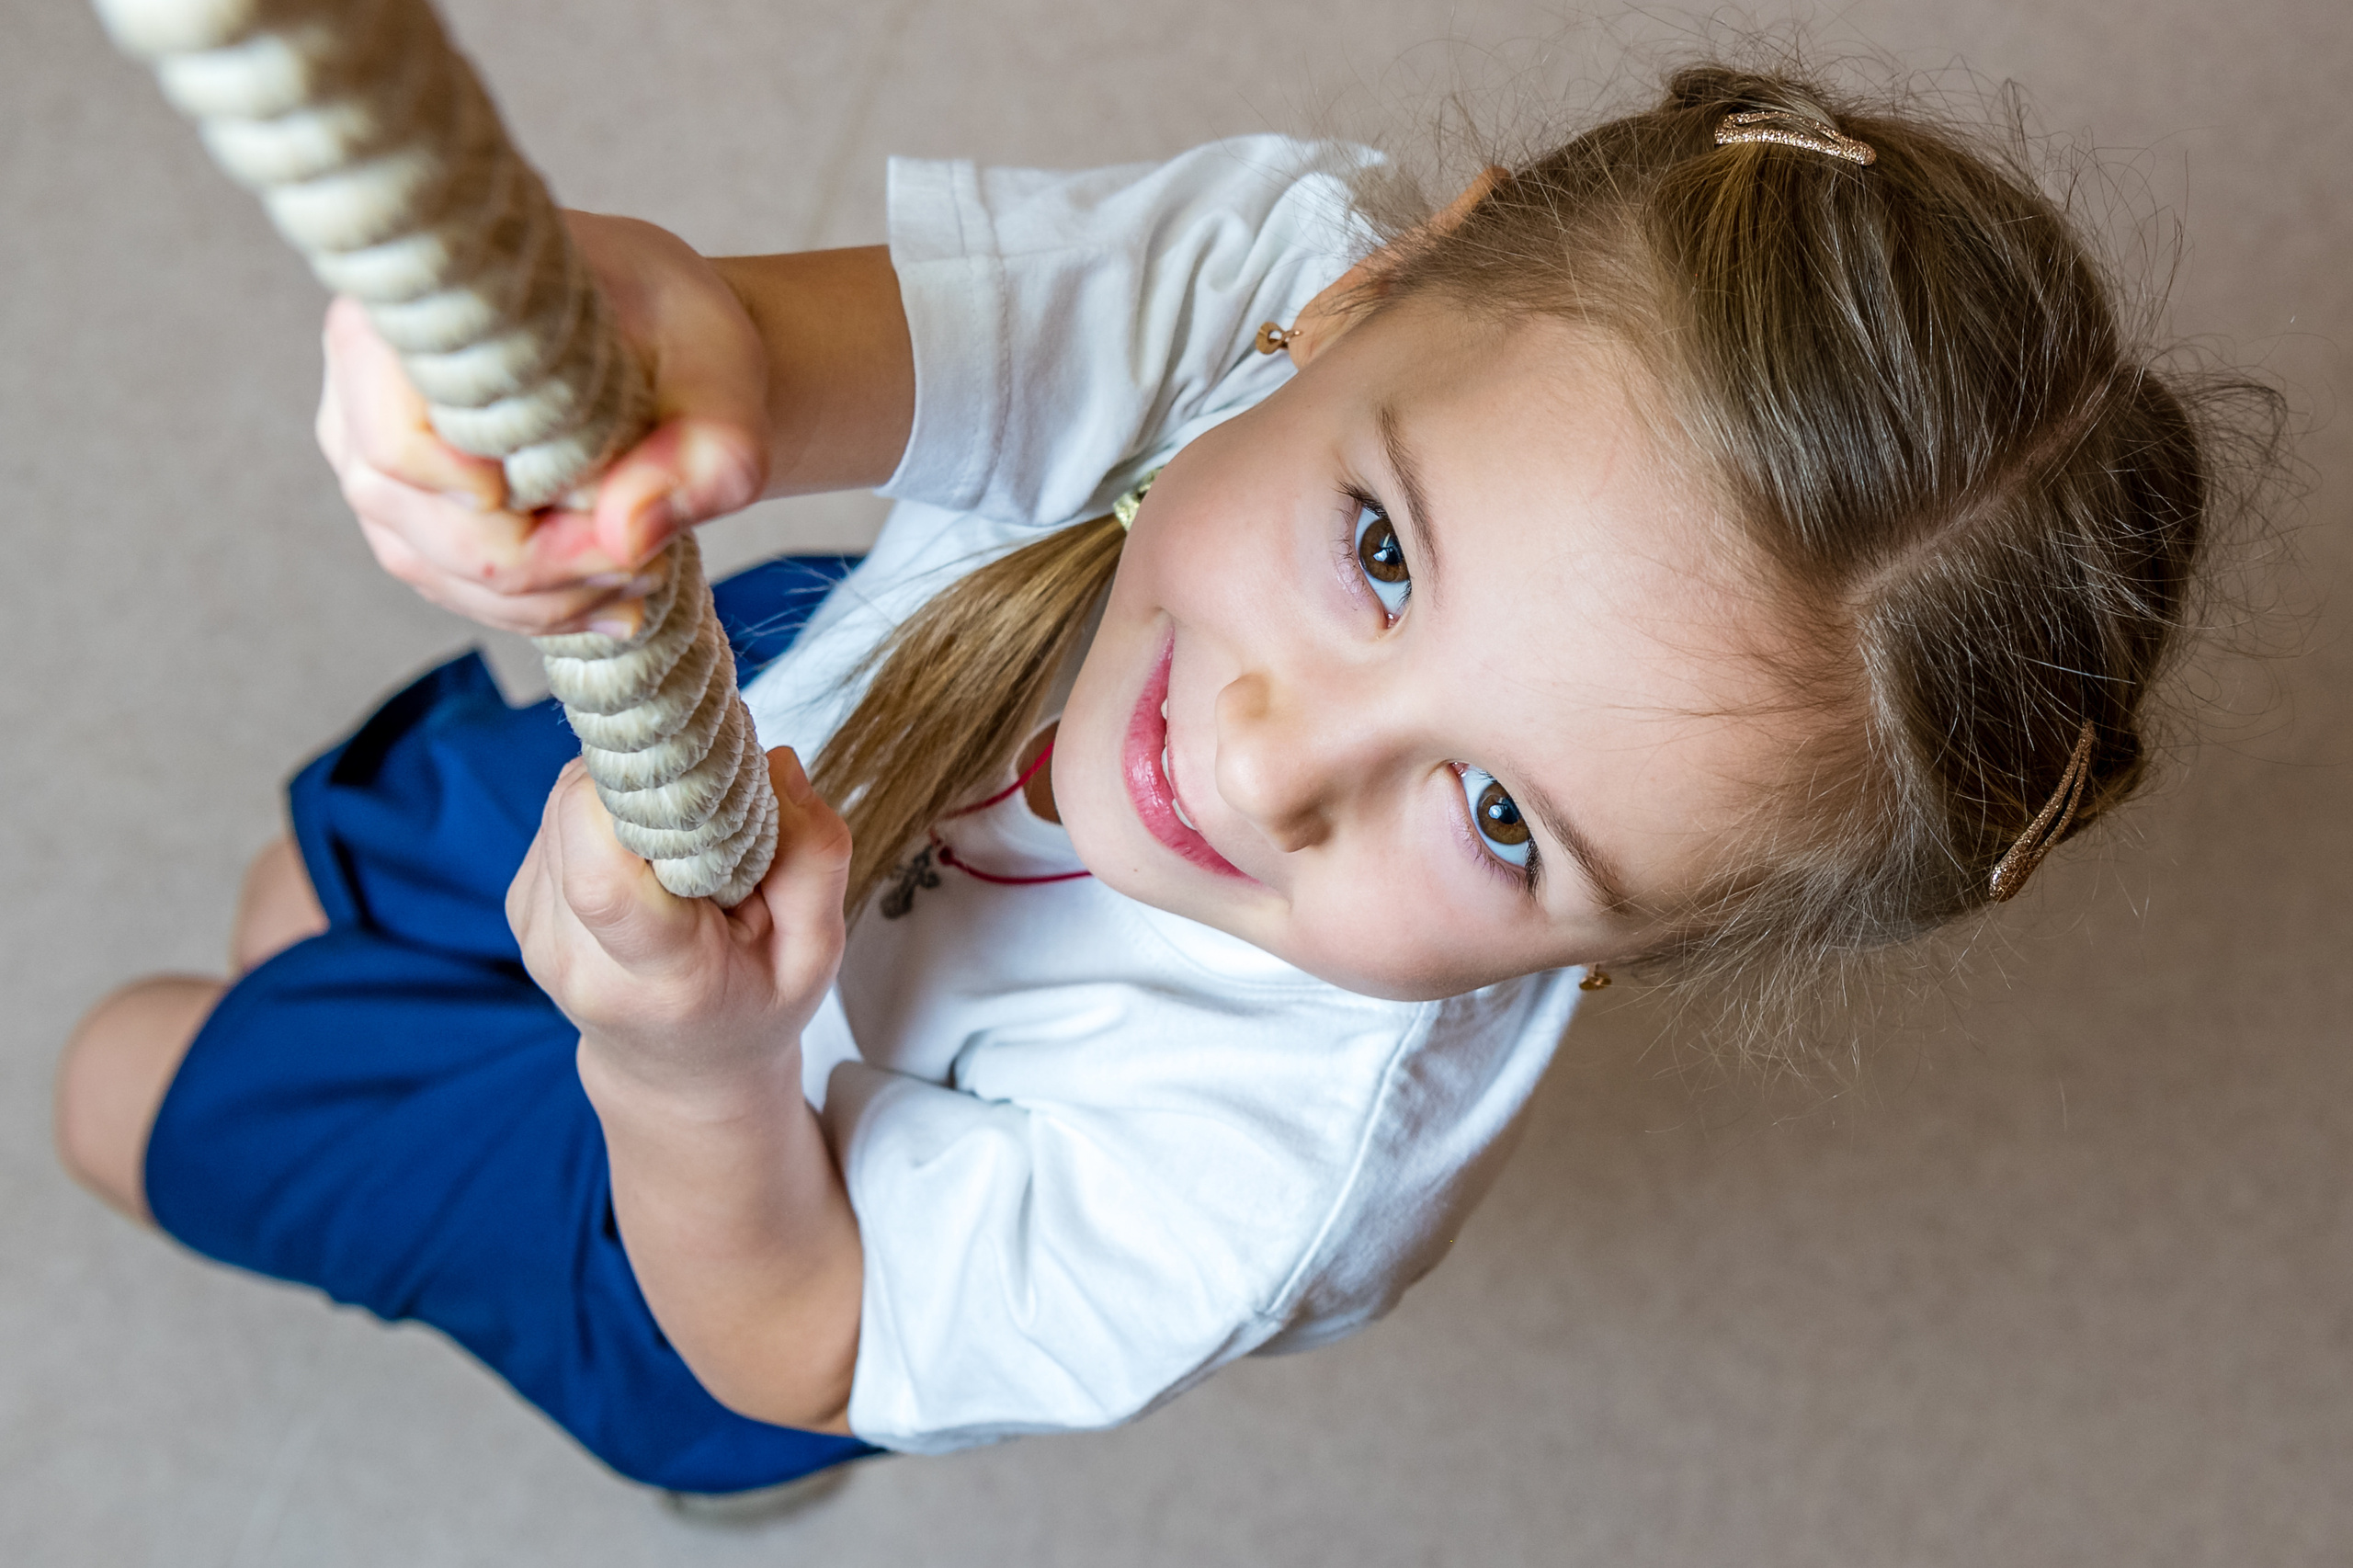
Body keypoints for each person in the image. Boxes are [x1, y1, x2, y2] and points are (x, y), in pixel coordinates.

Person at [51, 65, 2250, 1495]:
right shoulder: (1261, 276)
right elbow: (764, 351)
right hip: (757, 718)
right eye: (1375, 549)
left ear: (1638, 949)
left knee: (117, 1084)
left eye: (1499, 820)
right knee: (291, 901)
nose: (1272, 759)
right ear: (1365, 296)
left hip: (728, 1192)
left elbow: (799, 1328)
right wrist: (599, 372)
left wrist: (680, 1071)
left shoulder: (1272, 1176)